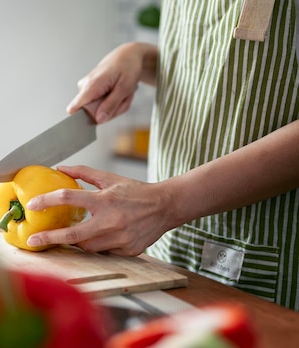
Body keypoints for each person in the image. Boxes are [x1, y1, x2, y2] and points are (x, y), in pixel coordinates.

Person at [24, 0, 299, 312]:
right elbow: (222, 64)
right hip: (167, 251)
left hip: (268, 262)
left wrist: (168, 203)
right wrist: (140, 58)